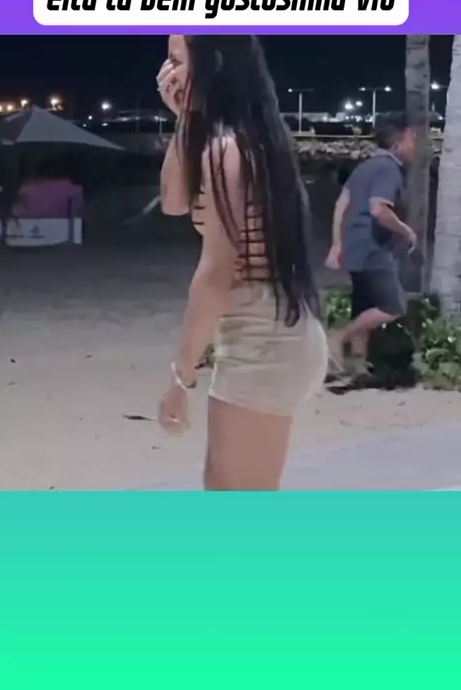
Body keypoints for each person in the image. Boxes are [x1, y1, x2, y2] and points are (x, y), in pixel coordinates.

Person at [156, 35, 328, 491]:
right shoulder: (243, 139)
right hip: (267, 333)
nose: (166, 73)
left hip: (263, 341)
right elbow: (173, 201)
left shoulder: (229, 150)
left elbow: (215, 273)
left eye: (175, 60)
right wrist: (185, 118)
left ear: (211, 66)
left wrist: (181, 376)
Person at [325, 112, 417, 376]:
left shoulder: (364, 167)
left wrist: (337, 244)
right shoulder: (389, 169)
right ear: (397, 144)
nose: (415, 145)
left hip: (355, 248)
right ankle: (338, 337)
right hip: (374, 249)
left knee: (364, 308)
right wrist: (406, 231)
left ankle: (357, 366)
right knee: (393, 306)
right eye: (412, 139)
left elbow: (341, 205)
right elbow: (378, 209)